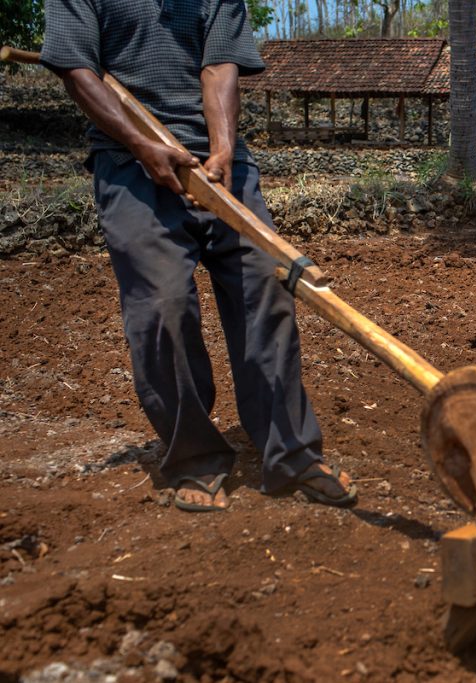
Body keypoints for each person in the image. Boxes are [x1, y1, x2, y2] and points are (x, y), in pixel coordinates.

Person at [40, 0, 356, 512]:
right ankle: (195, 456)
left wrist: (223, 149)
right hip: (131, 165)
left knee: (266, 287)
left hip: (219, 166)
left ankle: (292, 453)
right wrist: (141, 145)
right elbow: (77, 70)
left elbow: (218, 67)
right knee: (162, 305)